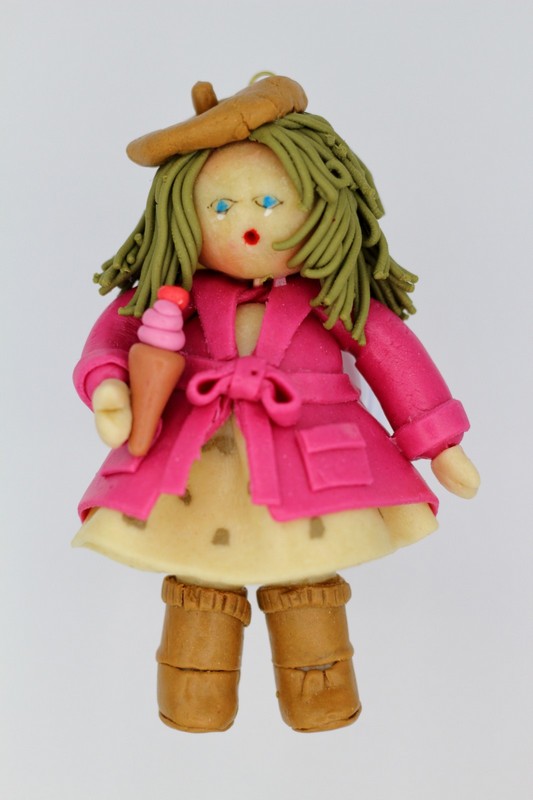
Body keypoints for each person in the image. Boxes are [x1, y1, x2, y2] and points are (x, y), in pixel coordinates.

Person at [73, 75, 479, 733]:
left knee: (307, 581)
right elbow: (111, 341)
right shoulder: (171, 298)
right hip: (197, 461)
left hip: (310, 457)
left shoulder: (329, 300)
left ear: (323, 205)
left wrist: (438, 442)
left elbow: (390, 354)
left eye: (268, 201)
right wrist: (109, 388)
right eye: (221, 206)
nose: (249, 226)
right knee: (200, 581)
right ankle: (193, 693)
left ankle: (320, 690)